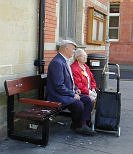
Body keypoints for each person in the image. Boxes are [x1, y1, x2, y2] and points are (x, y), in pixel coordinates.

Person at [46, 40, 95, 135]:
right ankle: (78, 126)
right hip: (57, 95)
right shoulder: (57, 62)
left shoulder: (64, 61)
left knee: (87, 100)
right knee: (79, 104)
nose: (74, 52)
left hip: (65, 93)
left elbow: (70, 80)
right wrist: (72, 94)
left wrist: (76, 88)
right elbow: (58, 86)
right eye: (73, 49)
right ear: (66, 48)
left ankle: (83, 124)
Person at [71, 48, 97, 122]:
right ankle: (85, 121)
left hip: (89, 90)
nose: (86, 58)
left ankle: (88, 119)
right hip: (81, 92)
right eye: (83, 56)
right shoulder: (74, 68)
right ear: (77, 57)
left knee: (99, 99)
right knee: (91, 100)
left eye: (86, 56)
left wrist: (93, 89)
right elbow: (78, 85)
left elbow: (92, 79)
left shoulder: (85, 66)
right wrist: (89, 92)